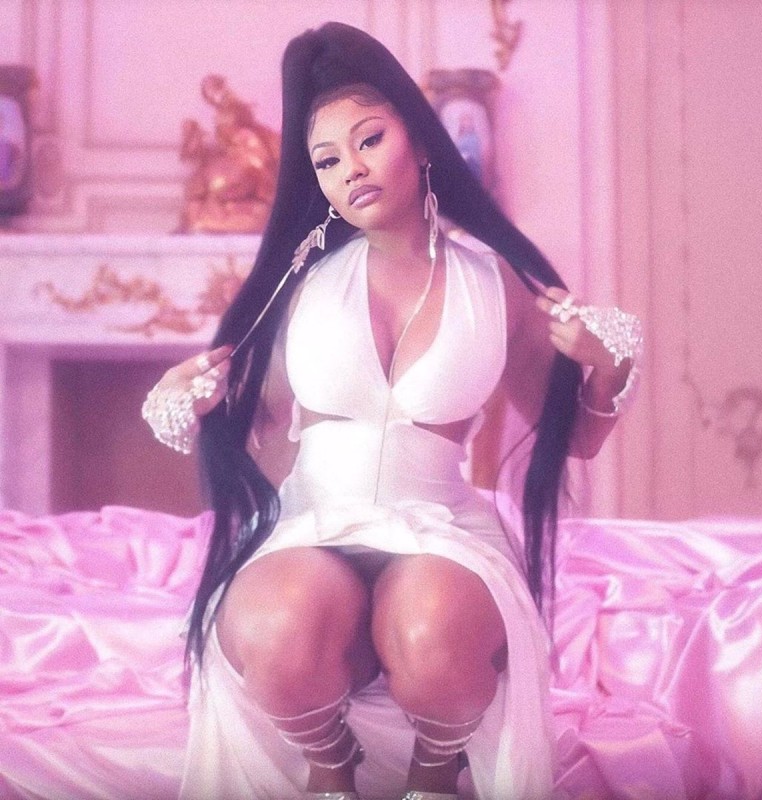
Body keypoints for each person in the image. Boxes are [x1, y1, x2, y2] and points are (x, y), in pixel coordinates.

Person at [143, 21, 642, 800]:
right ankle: (329, 763)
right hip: (314, 525)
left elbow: (574, 438)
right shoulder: (300, 288)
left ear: (421, 141)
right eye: (327, 160)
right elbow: (263, 442)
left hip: (441, 532)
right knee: (276, 626)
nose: (352, 169)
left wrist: (607, 370)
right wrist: (194, 407)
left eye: (369, 140)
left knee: (433, 628)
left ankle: (436, 768)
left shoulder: (495, 285)